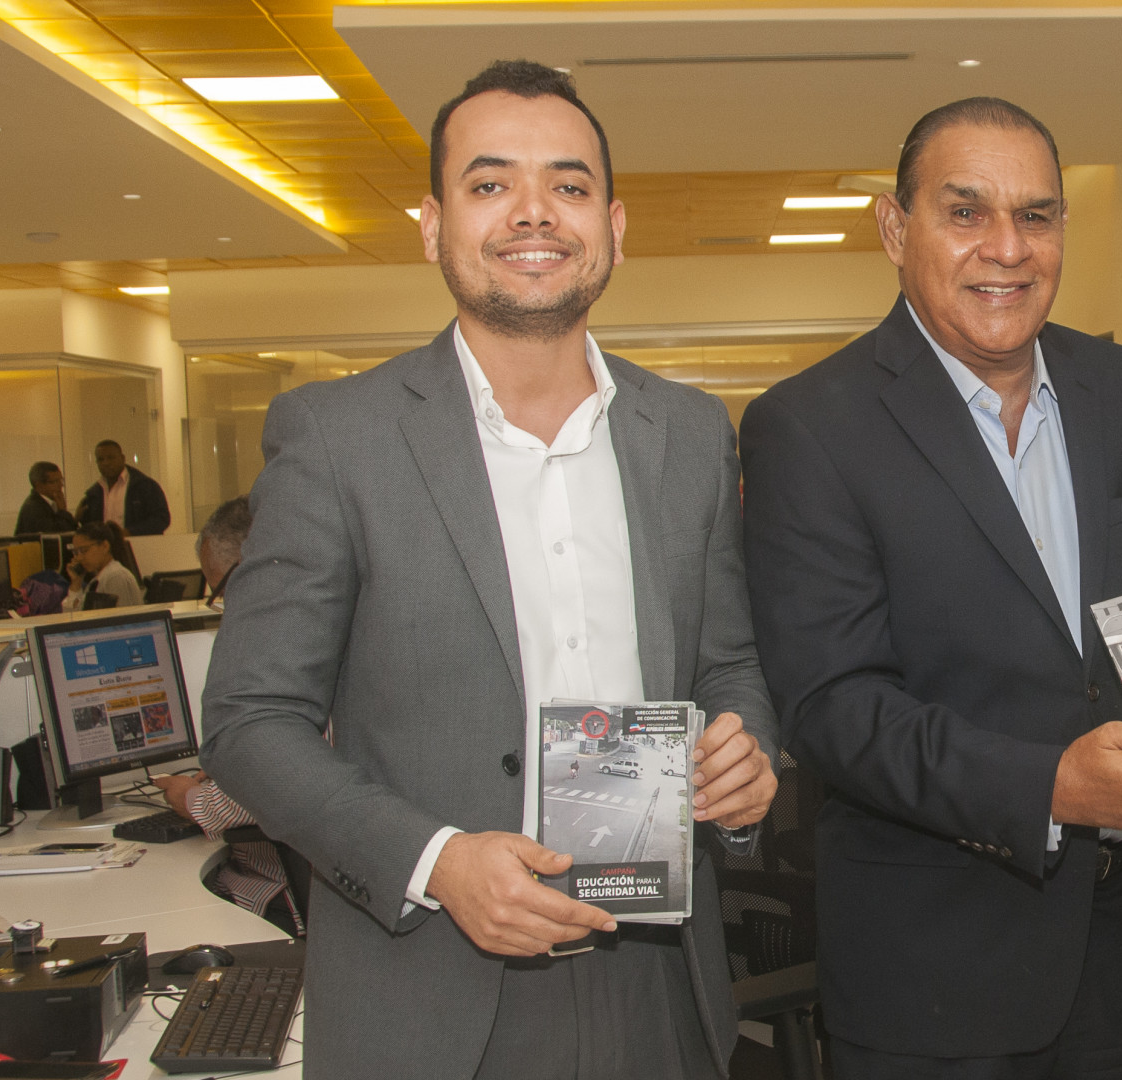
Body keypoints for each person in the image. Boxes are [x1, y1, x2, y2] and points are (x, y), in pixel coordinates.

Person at [201, 60, 779, 1080]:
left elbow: (726, 665)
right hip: (429, 988)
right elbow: (250, 721)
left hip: (658, 983)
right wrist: (437, 863)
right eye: (490, 182)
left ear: (614, 225)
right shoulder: (338, 437)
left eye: (569, 184)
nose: (534, 211)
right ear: (433, 225)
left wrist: (748, 753)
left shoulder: (688, 433)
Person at [742, 97, 1122, 1078]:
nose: (1006, 249)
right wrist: (1049, 787)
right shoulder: (810, 426)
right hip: (936, 975)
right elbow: (832, 706)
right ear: (896, 229)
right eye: (965, 212)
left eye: (1035, 215)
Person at [154, 497, 304, 936]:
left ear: (250, 570)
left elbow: (280, 773)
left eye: (219, 591)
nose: (224, 606)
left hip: (275, 894)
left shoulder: (289, 649)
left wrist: (191, 799)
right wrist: (227, 772)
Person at [75, 440, 170, 536]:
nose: (106, 463)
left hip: (140, 544)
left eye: (111, 458)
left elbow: (161, 519)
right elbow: (88, 530)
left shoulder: (145, 486)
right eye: (100, 459)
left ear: (122, 458)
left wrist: (129, 532)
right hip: (105, 545)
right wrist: (77, 519)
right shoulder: (93, 494)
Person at [64, 521, 142, 611]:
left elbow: (121, 617)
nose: (79, 558)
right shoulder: (98, 580)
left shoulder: (116, 577)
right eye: (76, 552)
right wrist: (76, 582)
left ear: (105, 546)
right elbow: (73, 616)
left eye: (84, 550)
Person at [15, 461, 78, 534]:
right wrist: (62, 511)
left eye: (61, 480)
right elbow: (56, 534)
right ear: (39, 485)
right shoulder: (33, 508)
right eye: (54, 482)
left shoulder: (51, 502)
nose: (61, 485)